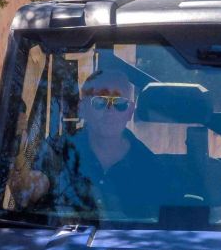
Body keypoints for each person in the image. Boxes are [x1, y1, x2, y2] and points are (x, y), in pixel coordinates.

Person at [29, 63, 169, 221]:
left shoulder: (150, 168)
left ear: (129, 112)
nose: (110, 111)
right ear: (82, 108)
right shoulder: (57, 150)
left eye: (120, 104)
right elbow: (29, 192)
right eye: (100, 102)